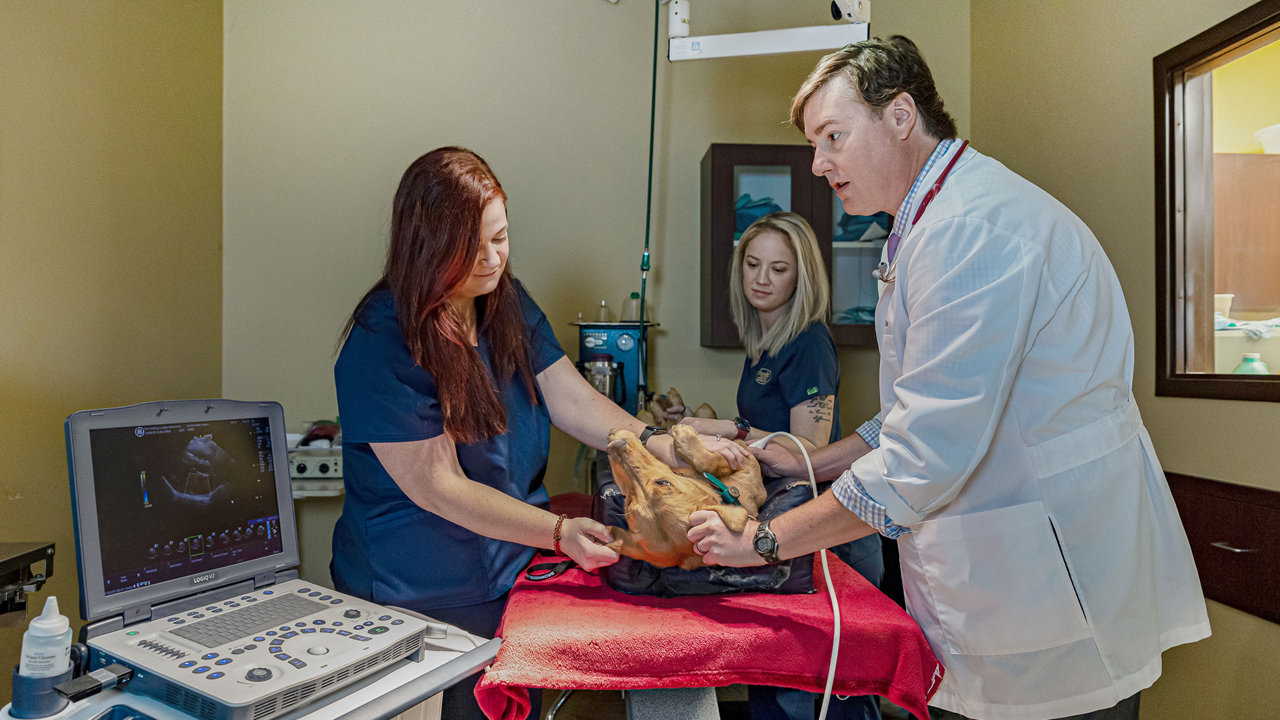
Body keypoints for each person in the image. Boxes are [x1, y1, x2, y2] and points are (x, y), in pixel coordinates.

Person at [686, 37, 1210, 720]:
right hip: (1005, 580)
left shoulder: (971, 230)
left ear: (901, 116)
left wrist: (762, 542)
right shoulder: (931, 224)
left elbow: (923, 454)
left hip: (1053, 586)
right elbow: (916, 410)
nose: (819, 163)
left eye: (833, 136)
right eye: (814, 144)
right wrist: (811, 465)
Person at [331, 147, 747, 720]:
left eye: (500, 237)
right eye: (471, 247)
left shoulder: (503, 301)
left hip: (510, 569)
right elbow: (438, 487)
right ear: (426, 244)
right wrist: (557, 532)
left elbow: (571, 399)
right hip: (418, 589)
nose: (492, 258)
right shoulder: (382, 341)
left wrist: (661, 444)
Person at [660, 212, 883, 720]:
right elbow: (769, 427)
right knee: (780, 680)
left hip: (830, 534)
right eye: (753, 264)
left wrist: (730, 431)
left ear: (801, 276)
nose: (761, 279)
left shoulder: (808, 342)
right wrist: (708, 428)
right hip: (785, 524)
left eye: (778, 269)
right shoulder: (766, 339)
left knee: (831, 691)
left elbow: (806, 451)